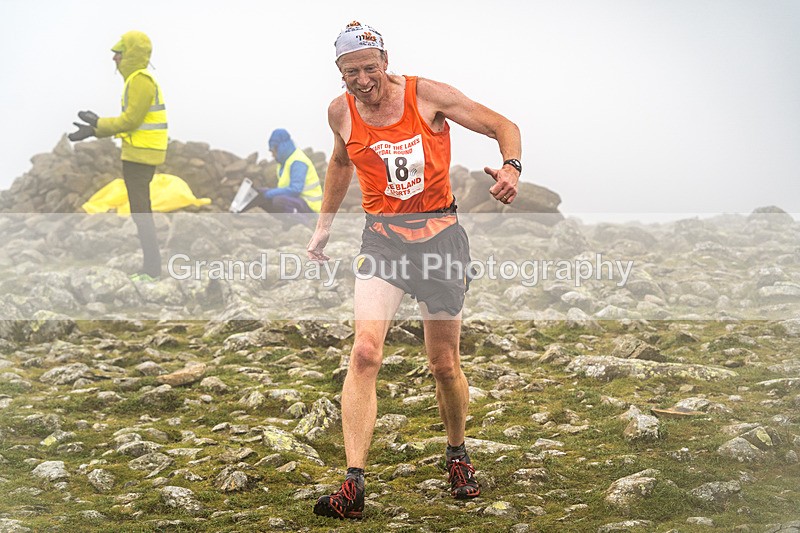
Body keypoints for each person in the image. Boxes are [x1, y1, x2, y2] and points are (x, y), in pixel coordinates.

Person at [308, 21, 522, 520]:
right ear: (338, 72)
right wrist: (323, 226)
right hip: (380, 241)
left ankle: (457, 454)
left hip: (440, 242)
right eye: (349, 72)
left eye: (368, 67)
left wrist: (511, 166)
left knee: (443, 364)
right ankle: (353, 484)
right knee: (364, 353)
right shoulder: (340, 111)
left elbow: (502, 126)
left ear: (385, 60)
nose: (361, 80)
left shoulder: (427, 96)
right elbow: (341, 163)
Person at [69, 30, 167, 282]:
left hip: (141, 156)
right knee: (139, 210)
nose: (114, 58)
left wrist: (96, 126)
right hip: (138, 153)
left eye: (119, 53)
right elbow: (131, 121)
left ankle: (152, 271)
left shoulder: (140, 80)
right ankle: (151, 268)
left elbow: (131, 120)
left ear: (131, 53)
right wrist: (95, 128)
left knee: (141, 211)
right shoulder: (136, 80)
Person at [237, 129, 322, 227]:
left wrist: (269, 194)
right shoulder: (284, 162)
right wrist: (263, 194)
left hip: (310, 207)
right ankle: (237, 211)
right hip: (296, 201)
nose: (272, 155)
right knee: (260, 193)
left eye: (273, 151)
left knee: (278, 200)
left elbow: (295, 190)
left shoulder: (298, 161)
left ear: (280, 148)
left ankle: (305, 223)